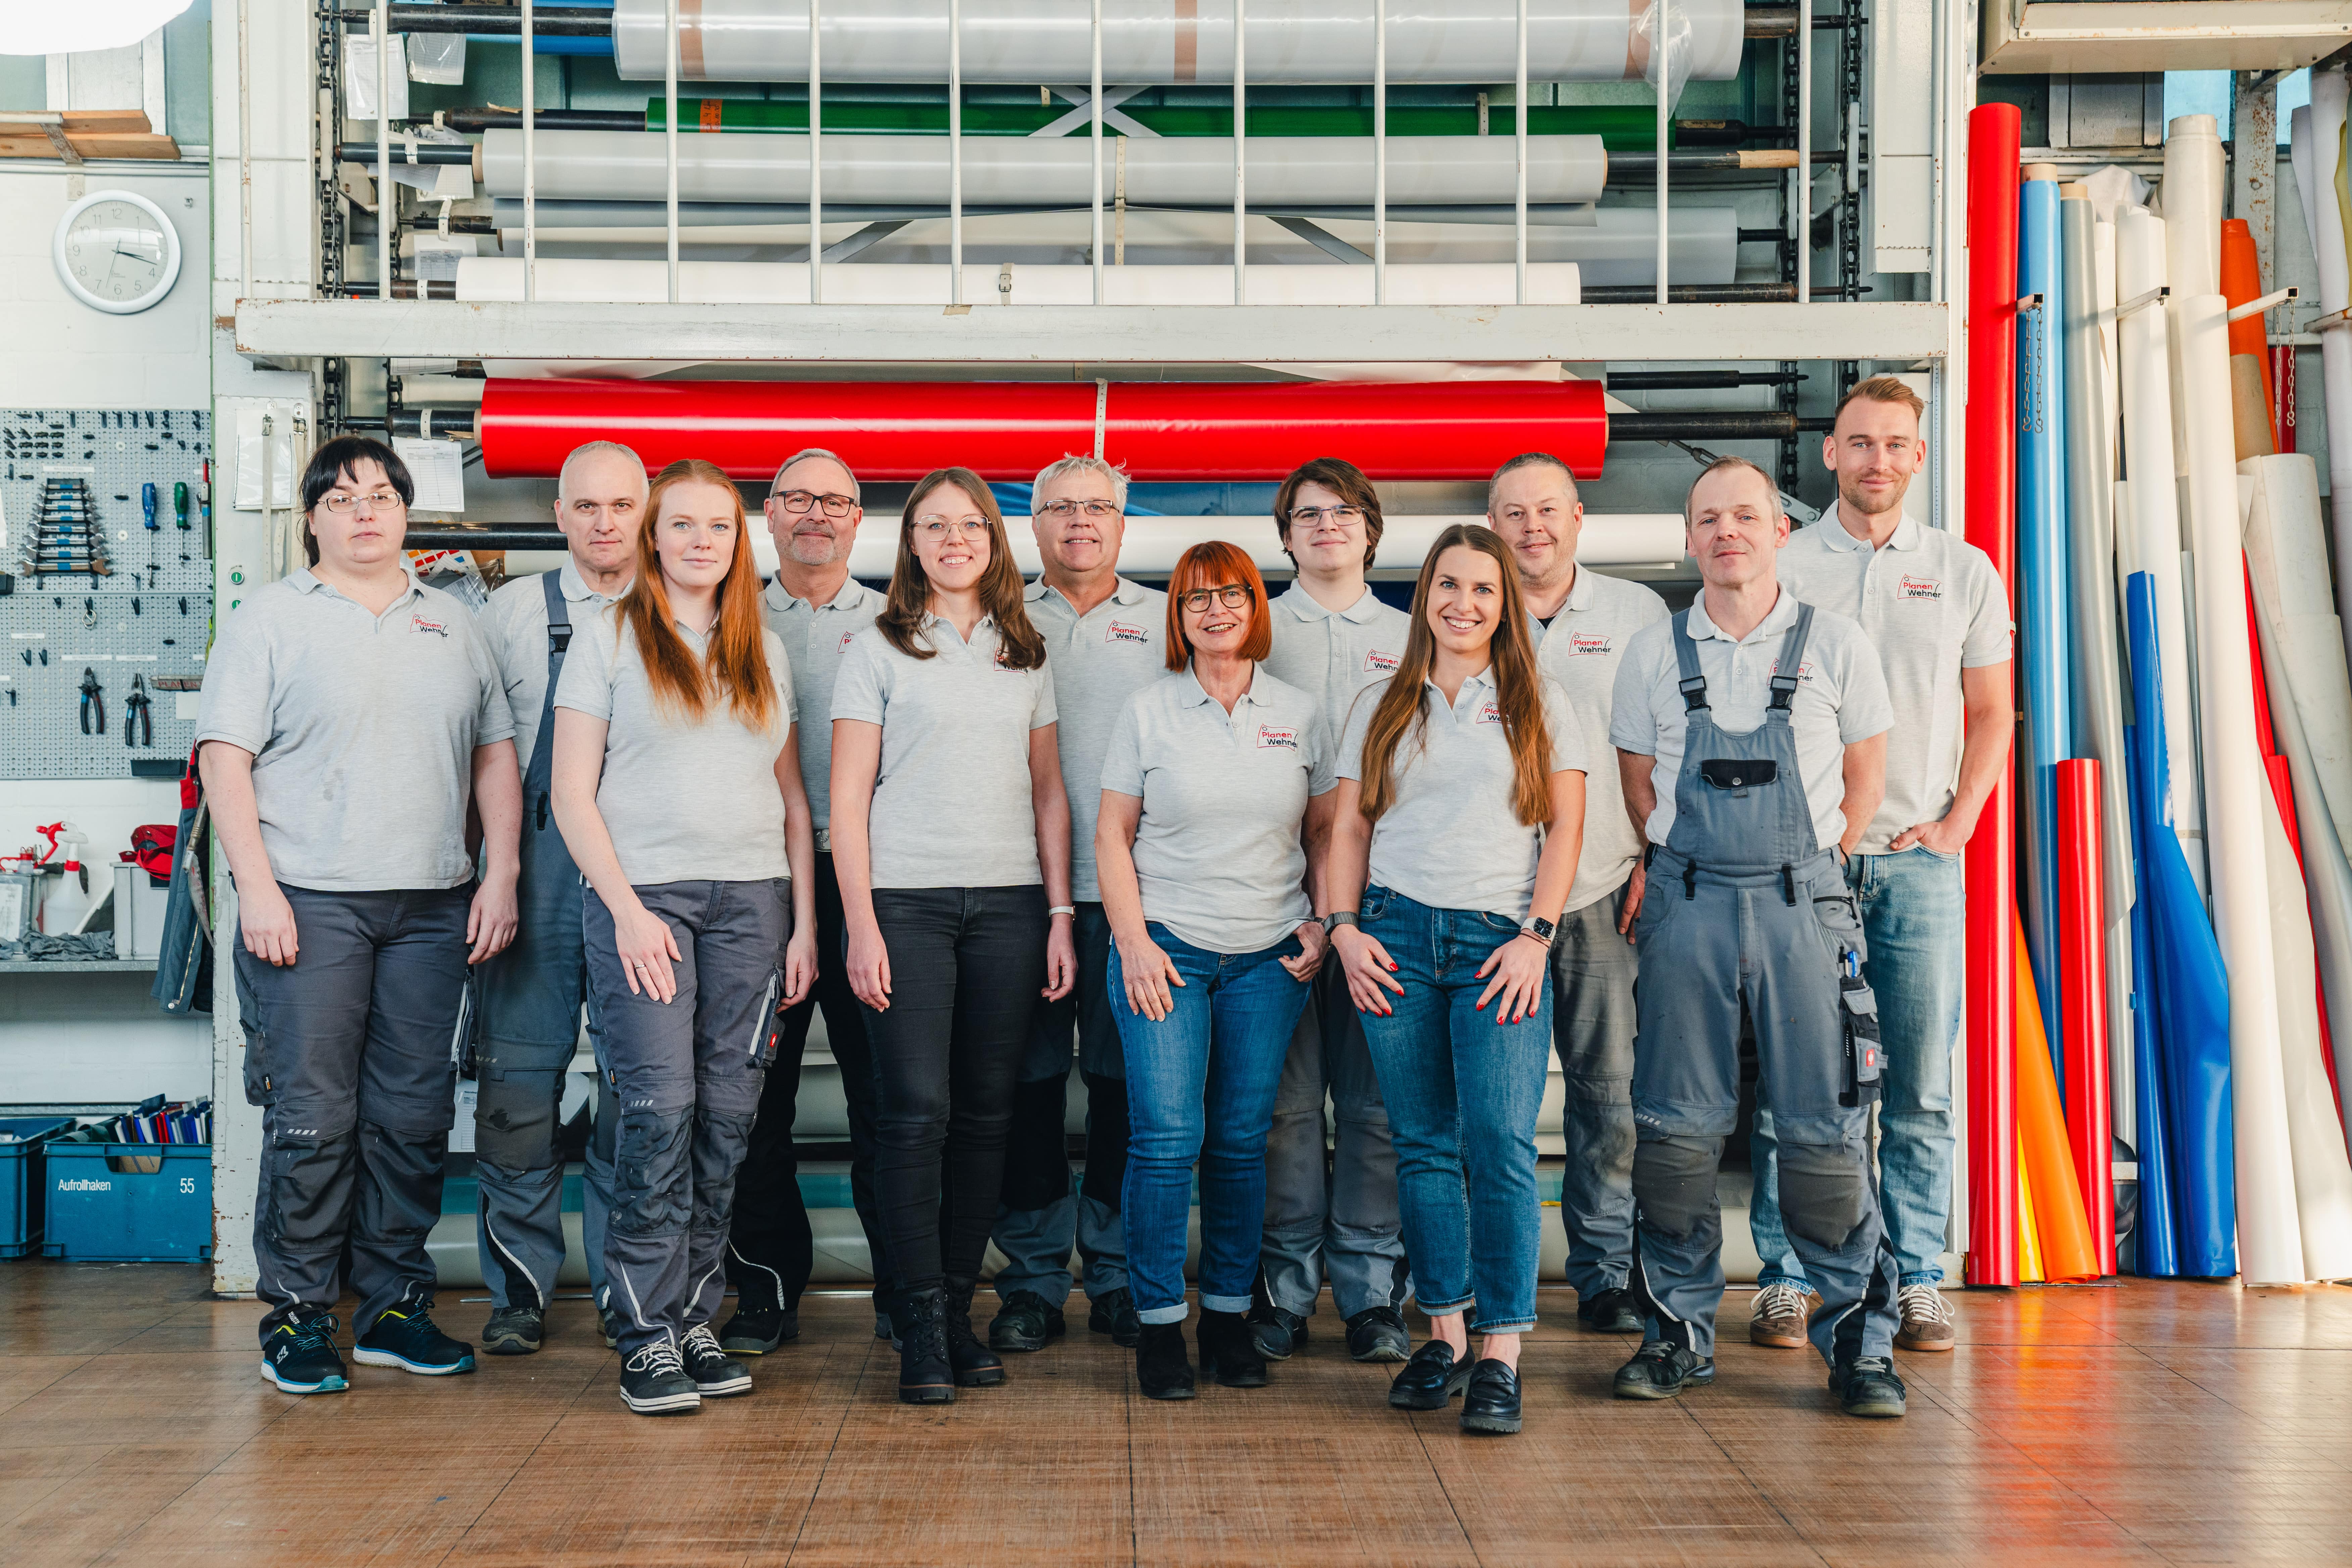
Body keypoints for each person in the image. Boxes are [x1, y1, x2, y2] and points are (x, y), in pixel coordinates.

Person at [197, 434, 521, 1395]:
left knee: (414, 1119)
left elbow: (495, 755)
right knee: (314, 1118)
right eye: (343, 499)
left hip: (431, 904)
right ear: (313, 518)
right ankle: (298, 1314)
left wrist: (499, 873)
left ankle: (391, 1307)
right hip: (312, 904)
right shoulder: (270, 619)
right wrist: (258, 889)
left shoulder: (454, 622)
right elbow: (225, 760)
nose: (366, 512)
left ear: (406, 513)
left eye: (382, 496)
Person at [1607, 456, 1903, 1418]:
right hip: (1687, 906)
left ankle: (1858, 1343)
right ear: (1689, 541)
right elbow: (1639, 780)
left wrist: (1817, 868)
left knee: (1824, 1132)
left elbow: (1864, 775)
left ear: (1782, 531)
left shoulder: (1839, 644)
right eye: (1708, 519)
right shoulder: (1654, 653)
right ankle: (1676, 1335)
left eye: (1746, 515)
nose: (1727, 531)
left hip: (1801, 905)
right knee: (1675, 1134)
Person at [1747, 378, 2012, 1355]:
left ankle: (1917, 1282)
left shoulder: (1962, 570)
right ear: (1830, 455)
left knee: (1918, 1090)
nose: (1878, 461)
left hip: (1916, 865)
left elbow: (1992, 713)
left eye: (1897, 445)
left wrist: (1957, 825)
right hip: (1805, 865)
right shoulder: (1788, 564)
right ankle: (1786, 1278)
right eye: (1860, 444)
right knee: (1795, 1082)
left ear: (1919, 456)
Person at [549, 458, 818, 1416]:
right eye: (684, 525)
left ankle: (695, 1315)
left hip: (755, 905)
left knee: (727, 1117)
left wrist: (804, 928)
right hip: (647, 901)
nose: (702, 541)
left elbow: (790, 800)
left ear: (737, 544)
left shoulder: (764, 650)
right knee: (658, 1113)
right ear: (653, 537)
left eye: (719, 527)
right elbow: (569, 794)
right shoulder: (609, 636)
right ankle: (645, 1331)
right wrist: (625, 910)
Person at [1328, 524, 1588, 1437]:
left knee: (1500, 1145)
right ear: (1424, 595)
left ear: (1503, 601)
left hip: (1497, 946)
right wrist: (1345, 929)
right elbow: (1351, 832)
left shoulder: (1541, 697)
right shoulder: (1381, 703)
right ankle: (1441, 1334)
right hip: (1394, 937)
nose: (1464, 603)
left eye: (1483, 588)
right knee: (1423, 1147)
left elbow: (1564, 829)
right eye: (1448, 585)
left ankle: (1500, 1355)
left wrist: (1536, 936)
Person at [831, 467, 1078, 1405]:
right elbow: (847, 797)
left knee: (987, 1118)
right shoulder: (880, 647)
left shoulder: (1026, 648)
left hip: (1012, 903)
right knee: (915, 1112)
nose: (953, 539)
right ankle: (919, 1322)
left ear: (993, 538)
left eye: (969, 524)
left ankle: (961, 1313)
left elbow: (1048, 791)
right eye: (933, 526)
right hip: (908, 903)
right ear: (913, 546)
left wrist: (1058, 913)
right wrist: (861, 922)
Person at [1096, 542, 1335, 1400]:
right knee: (1166, 1139)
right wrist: (1134, 942)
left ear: (1255, 606)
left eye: (1231, 593)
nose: (1215, 609)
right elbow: (1111, 836)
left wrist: (1324, 919)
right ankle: (1161, 1324)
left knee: (1239, 1142)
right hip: (1168, 950)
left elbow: (1325, 835)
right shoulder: (1149, 709)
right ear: (1179, 617)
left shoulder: (1301, 712)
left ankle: (1229, 1317)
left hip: (1270, 957)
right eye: (1196, 598)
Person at [1485, 453, 1669, 1337]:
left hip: (1602, 891)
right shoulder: (1469, 610)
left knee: (1610, 1095)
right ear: (1494, 527)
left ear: (1578, 517)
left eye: (1547, 510)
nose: (1533, 528)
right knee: (1489, 1103)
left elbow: (1666, 749)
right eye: (1514, 514)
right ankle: (1485, 1274)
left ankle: (1602, 1274)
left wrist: (1651, 858)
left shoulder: (1637, 614)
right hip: (1489, 900)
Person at [988, 456, 1163, 1354]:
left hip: (1136, 902)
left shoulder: (1168, 618)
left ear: (1124, 524)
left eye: (1099, 508)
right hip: (1023, 895)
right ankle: (1030, 1280)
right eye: (1061, 508)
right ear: (1035, 522)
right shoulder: (997, 617)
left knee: (1125, 1094)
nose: (1081, 523)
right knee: (1025, 1094)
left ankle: (1121, 1275)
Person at [473, 439, 644, 1357]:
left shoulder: (679, 611)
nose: (606, 523)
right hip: (535, 877)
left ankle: (633, 1293)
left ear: (645, 512)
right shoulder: (505, 616)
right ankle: (519, 1293)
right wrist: (494, 872)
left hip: (644, 881)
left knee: (639, 1092)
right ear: (560, 516)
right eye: (587, 507)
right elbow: (481, 757)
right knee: (516, 1093)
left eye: (622, 505)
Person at [722, 447, 892, 1353]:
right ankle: (766, 1290)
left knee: (884, 1101)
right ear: (770, 514)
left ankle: (902, 1295)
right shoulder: (730, 613)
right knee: (757, 1103)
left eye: (836, 500)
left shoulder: (899, 620)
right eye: (797, 499)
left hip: (872, 884)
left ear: (860, 518)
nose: (816, 515)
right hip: (761, 881)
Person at [1251, 456, 1414, 1364]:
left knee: (1376, 1111)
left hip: (1383, 911)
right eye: (1307, 515)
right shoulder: (1254, 629)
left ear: (1371, 529)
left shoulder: (1412, 635)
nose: (1326, 527)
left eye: (1343, 512)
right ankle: (1284, 1290)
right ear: (1284, 534)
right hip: (1272, 910)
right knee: (1284, 1113)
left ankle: (1369, 1293)